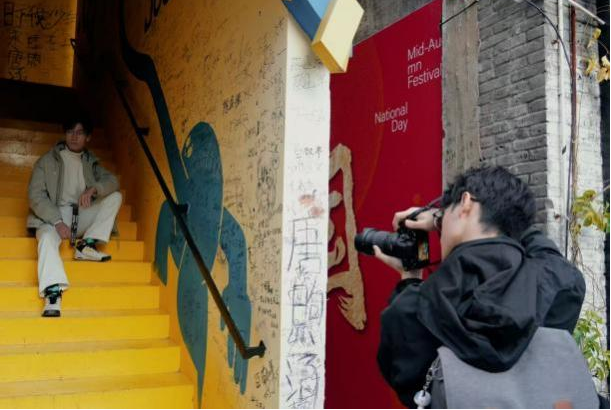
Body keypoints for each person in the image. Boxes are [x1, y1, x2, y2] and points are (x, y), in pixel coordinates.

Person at [374, 166, 586, 408]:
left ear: (465, 202)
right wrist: (444, 215)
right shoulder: (559, 282)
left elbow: (412, 390)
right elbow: (540, 246)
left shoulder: (410, 310)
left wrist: (409, 276)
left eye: (445, 213)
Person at [27, 116, 122, 317]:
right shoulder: (47, 160)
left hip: (80, 213)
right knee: (46, 238)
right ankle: (53, 293)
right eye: (70, 131)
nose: (74, 136)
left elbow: (112, 181)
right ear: (65, 133)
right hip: (52, 216)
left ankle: (86, 245)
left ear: (88, 137)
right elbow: (35, 196)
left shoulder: (91, 161)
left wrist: (94, 189)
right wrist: (57, 221)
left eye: (79, 132)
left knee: (115, 197)